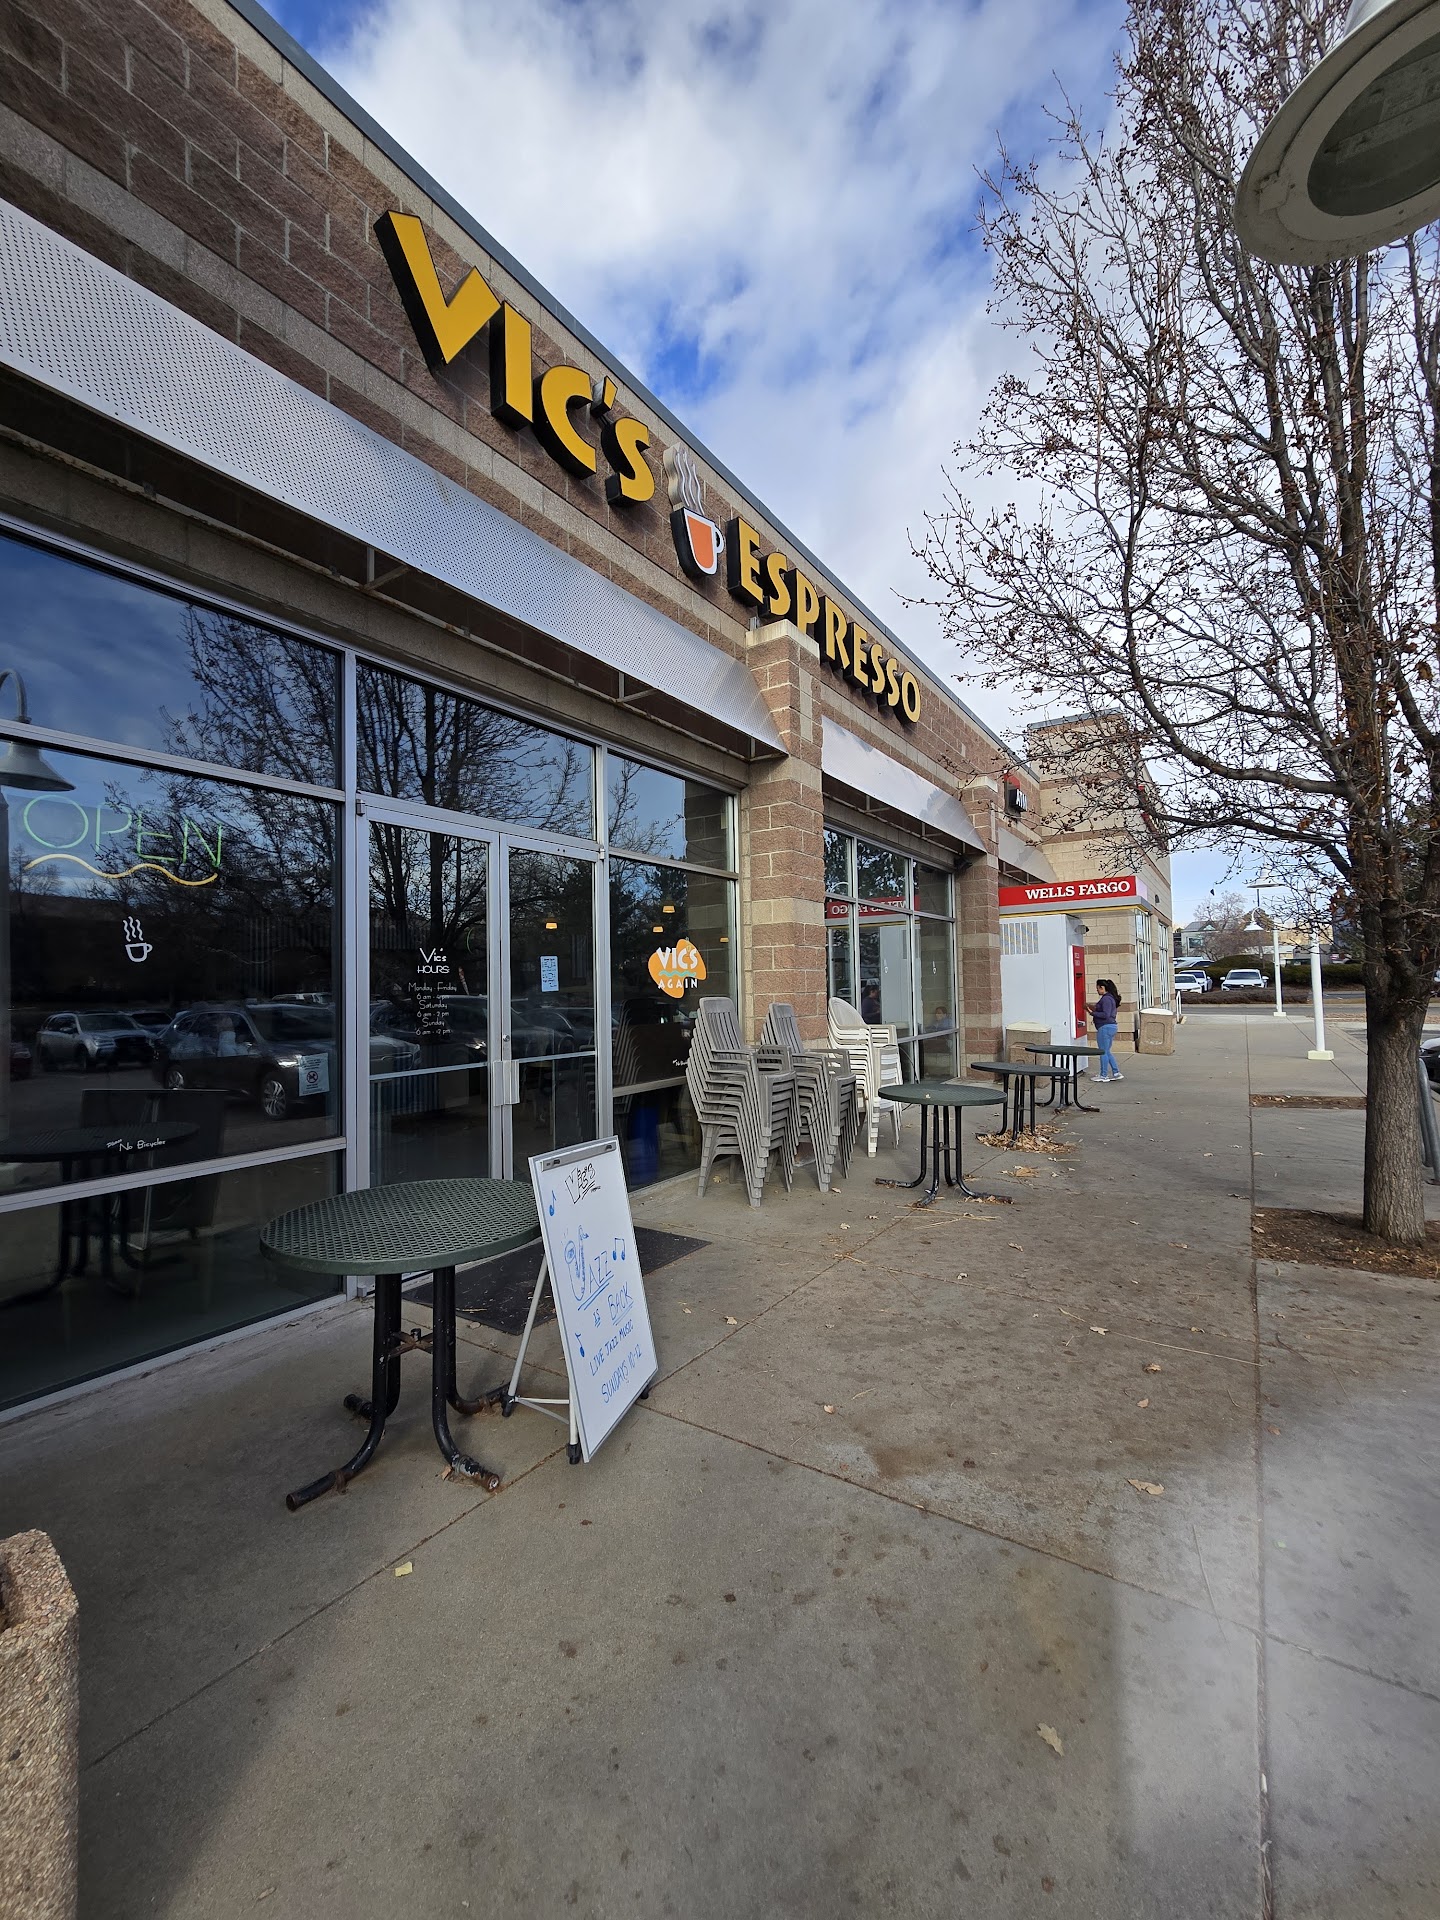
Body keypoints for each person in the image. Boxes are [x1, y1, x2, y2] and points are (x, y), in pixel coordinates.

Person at [1090, 978, 1123, 1082]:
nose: (1097, 990)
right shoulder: (1111, 998)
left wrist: (1093, 1013)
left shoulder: (1106, 999)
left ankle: (1103, 1075)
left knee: (1103, 1052)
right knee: (1107, 1051)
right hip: (1111, 1026)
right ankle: (1116, 1072)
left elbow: (1105, 1014)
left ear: (1102, 988)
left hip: (1105, 1027)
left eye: (1097, 988)